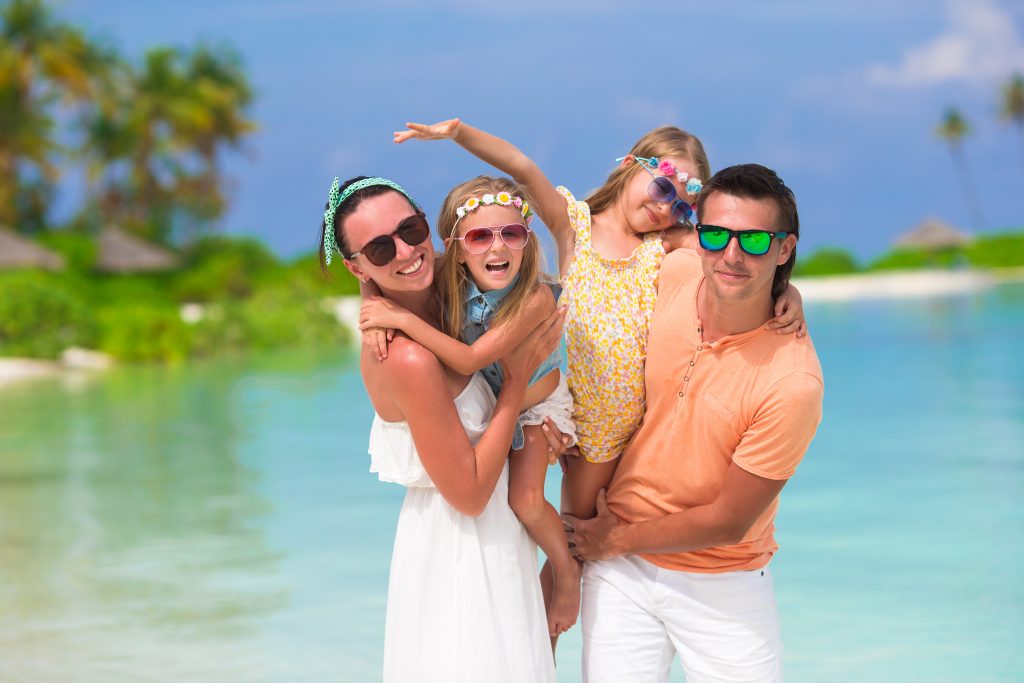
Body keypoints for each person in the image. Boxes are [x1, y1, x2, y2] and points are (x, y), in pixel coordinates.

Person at [392, 119, 805, 526]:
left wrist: (787, 290)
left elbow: (736, 255)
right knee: (540, 516)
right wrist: (458, 133)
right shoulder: (574, 226)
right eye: (662, 188)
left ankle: (567, 588)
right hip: (565, 405)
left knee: (578, 526)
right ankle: (556, 591)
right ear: (629, 164)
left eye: (680, 204)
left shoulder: (663, 244)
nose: (665, 207)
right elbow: (520, 166)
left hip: (621, 419)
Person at [563, 163, 825, 683]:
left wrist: (614, 541)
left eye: (754, 240)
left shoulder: (793, 382)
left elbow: (731, 518)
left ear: (785, 249)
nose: (731, 255)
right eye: (716, 235)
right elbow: (628, 217)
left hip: (720, 579)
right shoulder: (677, 272)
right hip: (622, 572)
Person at [319, 175, 564, 682]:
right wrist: (516, 389)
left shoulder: (446, 298)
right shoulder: (406, 355)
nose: (408, 251)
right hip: (462, 550)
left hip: (500, 532)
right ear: (355, 266)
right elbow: (470, 494)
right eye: (381, 248)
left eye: (411, 229)